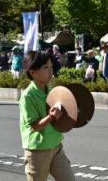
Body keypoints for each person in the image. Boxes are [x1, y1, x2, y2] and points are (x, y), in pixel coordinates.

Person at [19, 51, 75, 181]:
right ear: (32, 72)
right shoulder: (28, 96)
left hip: (56, 146)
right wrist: (51, 117)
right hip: (37, 150)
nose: (50, 71)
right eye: (45, 68)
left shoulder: (52, 91)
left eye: (51, 67)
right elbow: (35, 126)